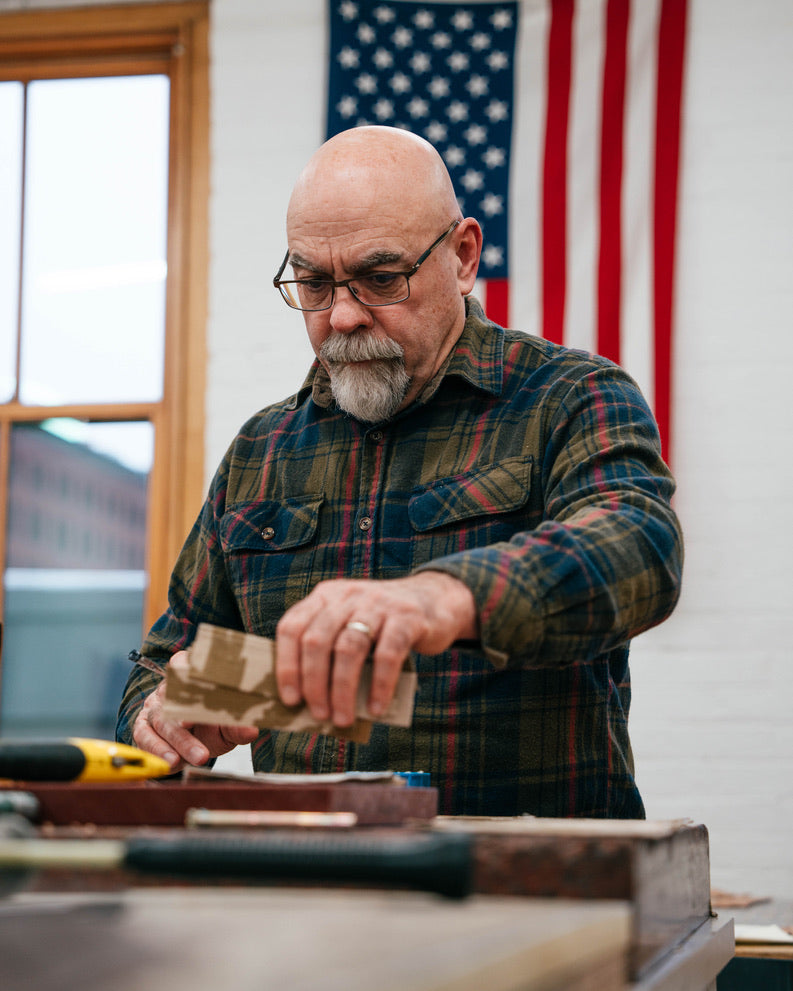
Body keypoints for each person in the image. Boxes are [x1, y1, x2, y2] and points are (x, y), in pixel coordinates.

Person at [117, 125, 683, 818]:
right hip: (302, 884)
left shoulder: (568, 397)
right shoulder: (260, 451)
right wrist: (164, 714)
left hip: (525, 889)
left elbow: (640, 549)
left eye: (381, 278)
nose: (344, 316)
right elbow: (163, 661)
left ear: (463, 255)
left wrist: (439, 599)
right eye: (315, 283)